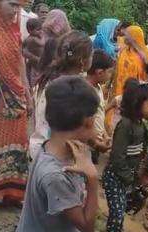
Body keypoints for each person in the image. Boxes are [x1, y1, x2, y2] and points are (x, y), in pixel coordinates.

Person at [8, 75, 101, 232]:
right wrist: (92, 179)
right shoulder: (58, 176)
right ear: (88, 120)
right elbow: (86, 224)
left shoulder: (47, 148)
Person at [101, 79, 148, 232]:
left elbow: (139, 156)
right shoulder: (125, 126)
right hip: (115, 178)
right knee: (116, 216)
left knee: (119, 218)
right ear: (137, 104)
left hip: (125, 178)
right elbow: (117, 158)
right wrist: (129, 179)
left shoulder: (141, 126)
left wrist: (136, 180)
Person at [0, 0, 30, 204]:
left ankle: (10, 192)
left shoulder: (13, 29)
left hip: (15, 95)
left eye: (19, 6)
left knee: (17, 139)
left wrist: (28, 95)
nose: (16, 10)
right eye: (12, 4)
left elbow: (20, 62)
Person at [30, 30, 94, 160]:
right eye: (92, 54)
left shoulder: (48, 78)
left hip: (39, 148)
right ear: (82, 61)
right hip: (56, 154)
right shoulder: (71, 90)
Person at [86, 49, 115, 164]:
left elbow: (99, 114)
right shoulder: (87, 92)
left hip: (96, 139)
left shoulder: (98, 88)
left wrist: (103, 134)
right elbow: (86, 123)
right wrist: (96, 143)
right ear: (99, 72)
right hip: (89, 142)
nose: (110, 75)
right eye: (109, 72)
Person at [113, 25, 148, 96]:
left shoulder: (145, 54)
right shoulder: (124, 51)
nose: (124, 37)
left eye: (127, 35)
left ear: (134, 37)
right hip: (120, 91)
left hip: (136, 93)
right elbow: (116, 71)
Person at [22, 18, 44, 88]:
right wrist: (42, 36)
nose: (40, 31)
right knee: (33, 81)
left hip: (38, 64)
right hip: (34, 64)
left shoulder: (34, 37)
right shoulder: (32, 39)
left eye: (41, 29)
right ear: (29, 31)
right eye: (38, 30)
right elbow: (42, 43)